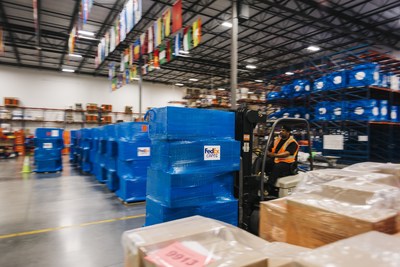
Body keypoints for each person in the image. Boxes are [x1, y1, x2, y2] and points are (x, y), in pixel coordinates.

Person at [265, 125, 299, 197]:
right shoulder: (277, 140)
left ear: (288, 132)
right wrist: (267, 152)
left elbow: (287, 153)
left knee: (277, 167)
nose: (281, 132)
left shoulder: (292, 142)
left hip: (288, 164)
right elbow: (270, 148)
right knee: (263, 162)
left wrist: (274, 155)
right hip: (277, 160)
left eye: (283, 130)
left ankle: (267, 189)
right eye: (281, 130)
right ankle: (260, 180)